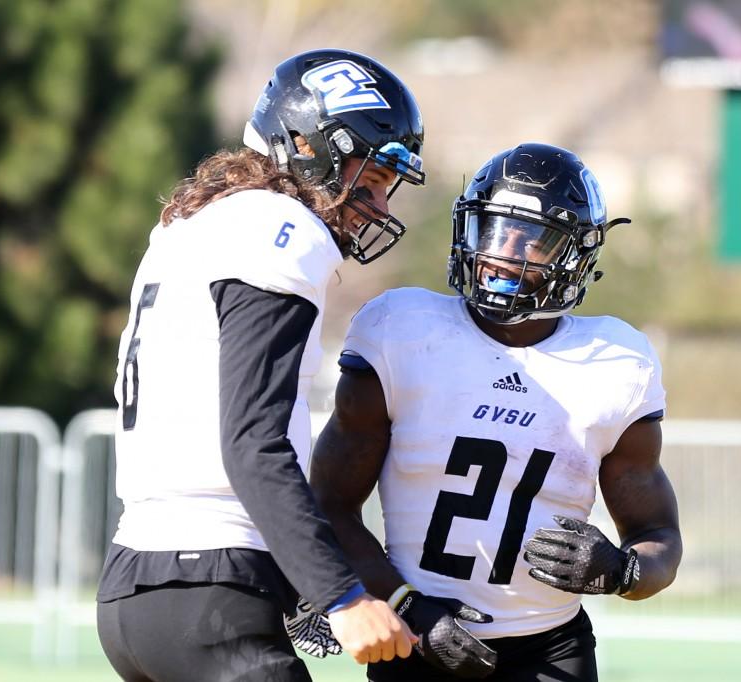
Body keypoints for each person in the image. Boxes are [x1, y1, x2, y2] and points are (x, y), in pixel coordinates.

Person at [95, 49, 427, 682]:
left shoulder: (195, 224)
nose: (381, 205)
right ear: (306, 142)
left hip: (137, 584)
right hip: (210, 586)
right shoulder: (280, 226)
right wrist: (342, 595)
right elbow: (251, 440)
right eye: (376, 176)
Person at [310, 142, 683, 681]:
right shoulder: (402, 330)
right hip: (417, 633)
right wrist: (405, 602)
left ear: (572, 254)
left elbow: (659, 536)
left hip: (549, 649)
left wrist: (624, 570)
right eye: (493, 228)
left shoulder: (616, 362)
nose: (503, 251)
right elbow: (329, 506)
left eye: (530, 238)